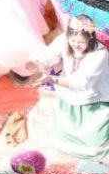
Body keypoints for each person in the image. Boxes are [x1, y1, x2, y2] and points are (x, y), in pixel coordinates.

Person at [31, 16, 109, 158]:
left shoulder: (99, 53)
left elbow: (81, 83)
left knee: (94, 145)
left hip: (93, 99)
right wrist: (36, 65)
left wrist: (51, 78)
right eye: (72, 41)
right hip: (68, 96)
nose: (76, 45)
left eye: (81, 42)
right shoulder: (64, 40)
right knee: (63, 139)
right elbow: (46, 56)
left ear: (91, 39)